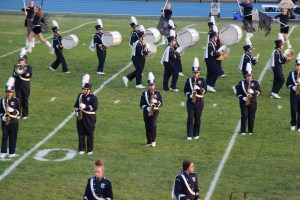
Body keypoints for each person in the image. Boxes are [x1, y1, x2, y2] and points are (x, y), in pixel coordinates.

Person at [183, 58, 207, 141]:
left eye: (197, 73)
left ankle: (196, 133)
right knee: (190, 117)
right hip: (190, 101)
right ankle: (189, 134)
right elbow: (185, 90)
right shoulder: (189, 80)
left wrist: (199, 89)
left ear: (199, 73)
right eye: (194, 73)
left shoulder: (203, 80)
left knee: (197, 118)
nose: (195, 74)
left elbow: (205, 91)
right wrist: (189, 95)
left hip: (199, 101)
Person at [74, 74, 98, 155]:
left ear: (88, 90)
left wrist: (86, 106)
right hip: (81, 117)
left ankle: (90, 149)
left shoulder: (93, 97)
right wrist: (76, 110)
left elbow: (94, 107)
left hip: (89, 118)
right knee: (81, 133)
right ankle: (81, 148)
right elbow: (75, 105)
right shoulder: (80, 96)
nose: (83, 90)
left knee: (90, 134)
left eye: (84, 89)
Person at [236, 67, 261, 136]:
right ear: (245, 76)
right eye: (247, 76)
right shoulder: (241, 83)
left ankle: (250, 130)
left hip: (253, 102)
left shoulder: (255, 82)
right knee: (244, 115)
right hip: (244, 102)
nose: (249, 77)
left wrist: (253, 92)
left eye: (250, 76)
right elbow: (238, 93)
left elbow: (259, 91)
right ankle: (243, 131)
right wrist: (242, 98)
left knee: (252, 116)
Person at [140, 72, 162, 147]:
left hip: (155, 111)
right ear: (148, 85)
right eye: (150, 85)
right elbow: (141, 104)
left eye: (153, 85)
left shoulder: (158, 93)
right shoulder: (144, 94)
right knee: (147, 126)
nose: (152, 87)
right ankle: (149, 141)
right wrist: (147, 108)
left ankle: (153, 140)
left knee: (153, 125)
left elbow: (161, 103)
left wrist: (157, 102)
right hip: (147, 112)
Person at [0, 77, 20, 159]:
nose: (9, 94)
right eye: (8, 92)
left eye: (10, 92)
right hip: (5, 121)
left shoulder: (16, 100)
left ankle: (12, 152)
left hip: (14, 121)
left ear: (13, 92)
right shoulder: (2, 100)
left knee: (13, 136)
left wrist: (12, 110)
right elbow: (0, 111)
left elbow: (19, 113)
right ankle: (3, 151)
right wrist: (2, 117)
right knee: (4, 135)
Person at [13, 48, 32, 119]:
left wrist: (23, 71)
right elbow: (14, 75)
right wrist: (16, 72)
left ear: (25, 61)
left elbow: (29, 75)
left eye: (22, 60)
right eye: (20, 60)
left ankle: (25, 114)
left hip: (25, 86)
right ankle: (18, 114)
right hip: (18, 85)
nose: (21, 62)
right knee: (18, 99)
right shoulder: (16, 66)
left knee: (25, 99)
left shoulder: (28, 67)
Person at [286, 53, 300, 131]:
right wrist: (293, 87)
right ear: (295, 66)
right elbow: (288, 84)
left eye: (299, 65)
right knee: (293, 109)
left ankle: (299, 126)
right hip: (294, 95)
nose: (298, 67)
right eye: (297, 65)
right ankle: (293, 123)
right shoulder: (291, 74)